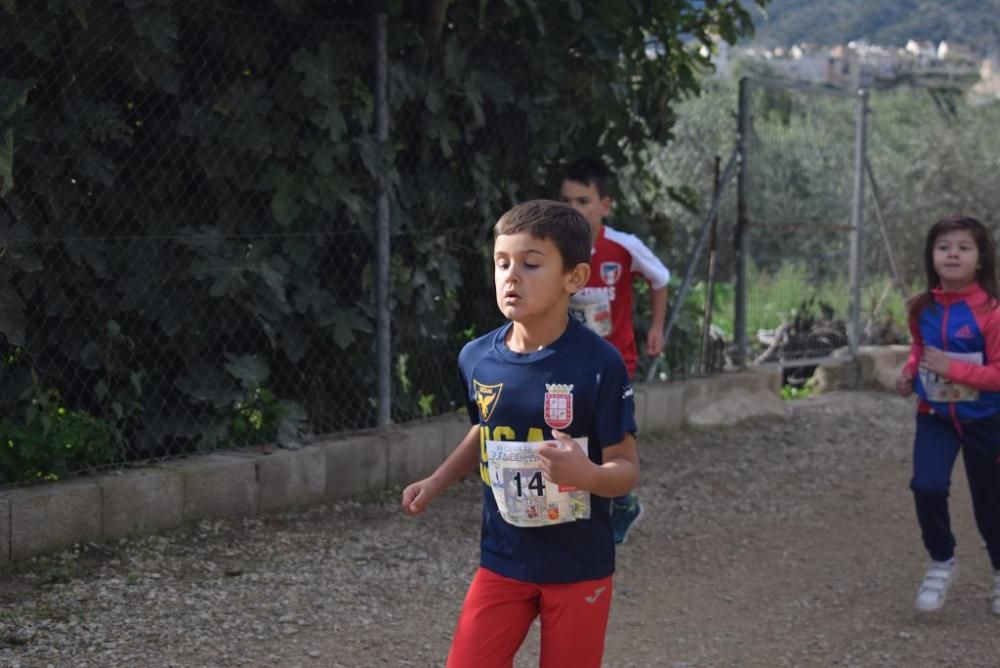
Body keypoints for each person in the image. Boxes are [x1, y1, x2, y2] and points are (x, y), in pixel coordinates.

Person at [401, 200, 639, 667]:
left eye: (531, 264)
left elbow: (626, 469)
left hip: (578, 566)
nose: (511, 276)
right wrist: (436, 482)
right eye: (501, 263)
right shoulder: (477, 358)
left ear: (574, 278)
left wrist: (587, 474)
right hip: (503, 559)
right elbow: (484, 431)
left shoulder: (598, 365)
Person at [559, 156, 669, 545]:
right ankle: (594, 506)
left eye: (583, 201)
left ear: (604, 206)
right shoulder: (557, 248)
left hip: (615, 358)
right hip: (570, 358)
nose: (574, 210)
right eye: (567, 202)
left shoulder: (624, 246)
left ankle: (619, 504)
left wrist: (656, 327)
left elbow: (660, 278)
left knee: (606, 434)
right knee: (573, 429)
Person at [894, 215, 1000, 614]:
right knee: (927, 487)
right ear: (931, 256)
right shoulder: (922, 308)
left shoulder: (992, 313)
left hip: (986, 420)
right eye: (943, 247)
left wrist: (953, 369)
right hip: (935, 416)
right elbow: (919, 350)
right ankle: (942, 561)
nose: (953, 253)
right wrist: (909, 374)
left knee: (991, 505)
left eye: (963, 247)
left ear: (981, 258)